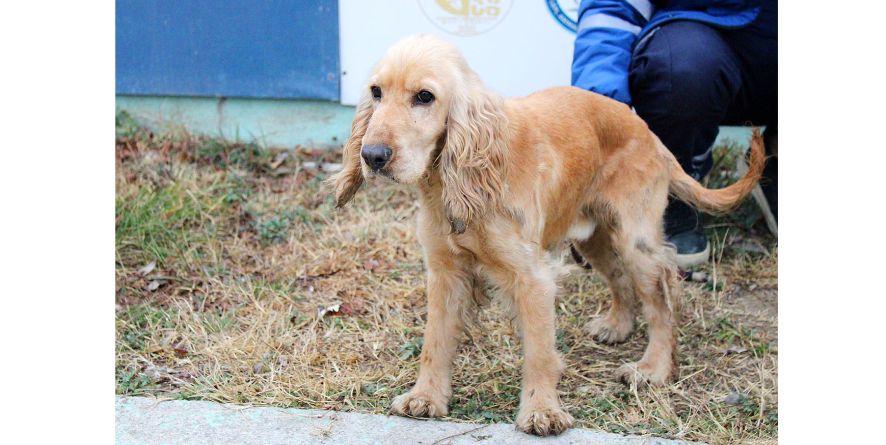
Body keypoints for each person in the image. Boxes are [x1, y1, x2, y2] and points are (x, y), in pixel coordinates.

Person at [571, 0, 777, 269]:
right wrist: (601, 117)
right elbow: (611, 10)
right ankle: (672, 188)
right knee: (682, 66)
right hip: (701, 39)